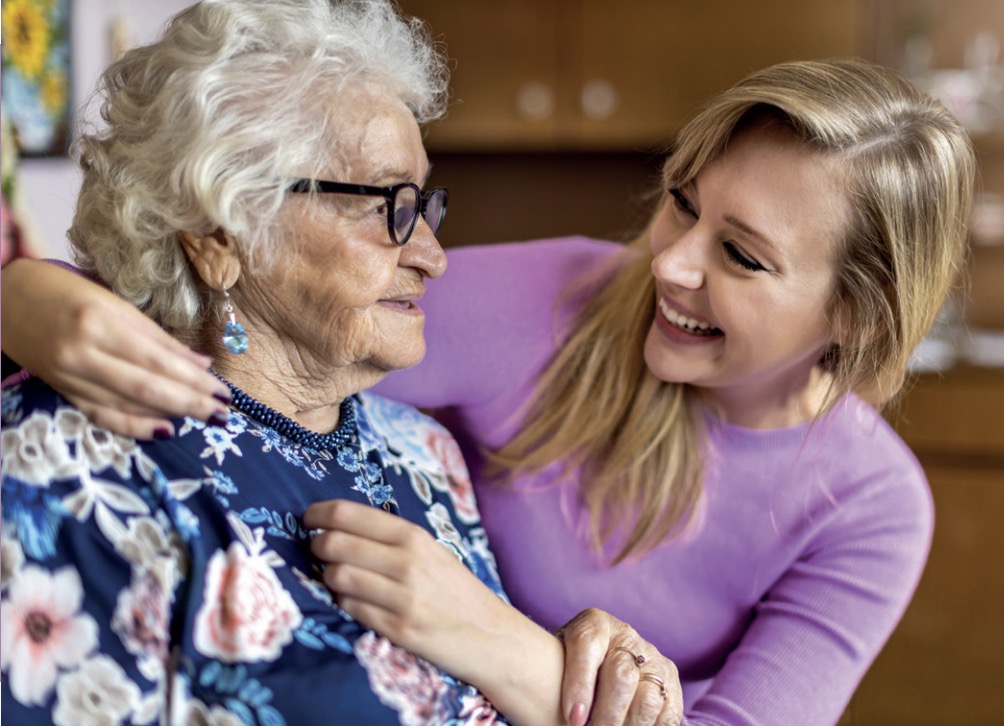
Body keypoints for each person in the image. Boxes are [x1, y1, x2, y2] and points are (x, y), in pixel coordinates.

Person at [0, 53, 975, 725]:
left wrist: (493, 638)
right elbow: (253, 308)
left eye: (740, 256)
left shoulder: (870, 508)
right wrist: (23, 296)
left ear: (854, 317)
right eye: (681, 202)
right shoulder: (564, 299)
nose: (669, 264)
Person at [0, 1, 685, 724]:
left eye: (424, 205)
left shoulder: (423, 452)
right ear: (220, 235)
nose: (432, 255)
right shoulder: (68, 467)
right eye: (386, 204)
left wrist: (586, 673)